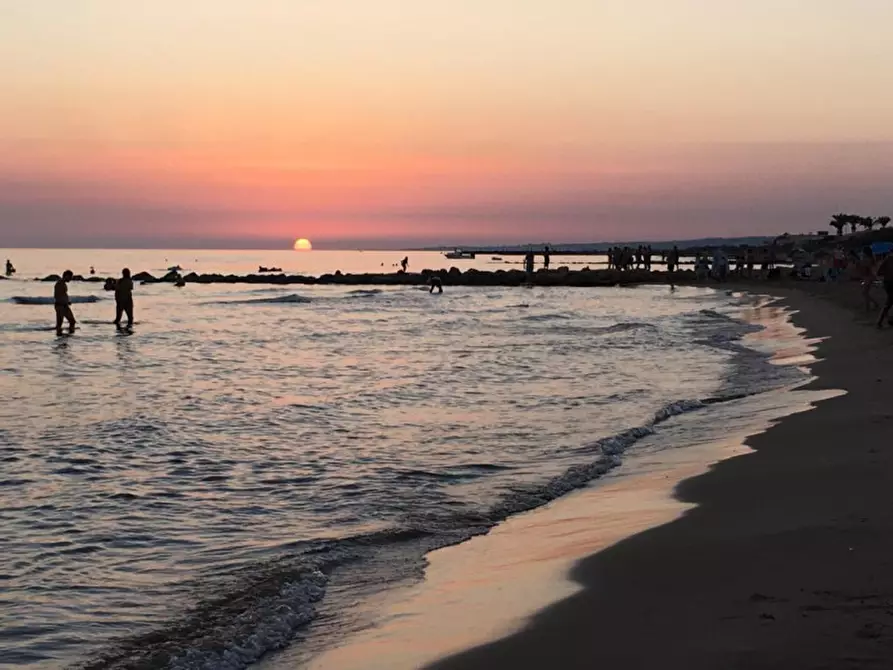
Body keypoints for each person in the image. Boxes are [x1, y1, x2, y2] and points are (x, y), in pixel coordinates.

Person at [54, 270, 76, 335]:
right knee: (71, 321)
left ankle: (61, 338)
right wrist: (64, 302)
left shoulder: (62, 283)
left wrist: (67, 301)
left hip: (63, 305)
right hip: (61, 306)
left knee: (61, 323)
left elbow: (63, 294)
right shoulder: (60, 284)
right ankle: (68, 336)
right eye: (70, 277)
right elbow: (57, 295)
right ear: (66, 276)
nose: (71, 279)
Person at [876, 253, 893, 328]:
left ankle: (887, 320)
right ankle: (880, 322)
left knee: (890, 302)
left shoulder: (887, 259)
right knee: (889, 302)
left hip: (887, 283)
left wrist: (886, 274)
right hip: (890, 283)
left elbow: (879, 272)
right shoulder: (888, 259)